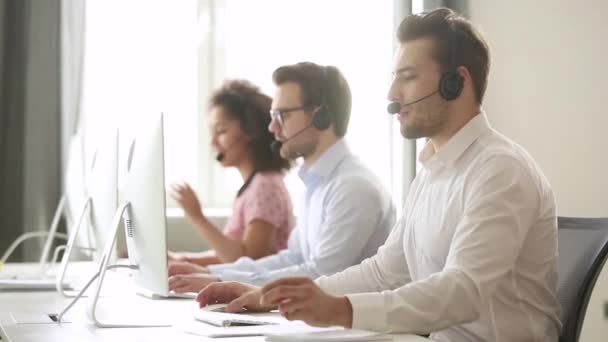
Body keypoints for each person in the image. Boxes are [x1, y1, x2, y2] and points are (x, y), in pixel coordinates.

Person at [195, 8, 562, 342]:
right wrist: (273, 297)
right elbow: (385, 271)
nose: (391, 94)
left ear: (457, 82)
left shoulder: (500, 171)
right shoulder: (433, 173)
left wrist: (340, 309)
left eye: (407, 77)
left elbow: (462, 290)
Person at [168, 62, 395, 294]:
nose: (272, 128)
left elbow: (321, 275)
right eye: (272, 115)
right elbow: (293, 257)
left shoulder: (352, 188)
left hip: (355, 325)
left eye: (282, 115)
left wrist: (222, 281)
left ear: (321, 117)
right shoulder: (317, 184)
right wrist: (215, 275)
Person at [167, 79, 295, 281]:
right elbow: (229, 256)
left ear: (250, 132)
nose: (213, 142)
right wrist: (182, 260)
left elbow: (248, 259)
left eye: (221, 131)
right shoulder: (255, 185)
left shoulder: (266, 186)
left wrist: (197, 216)